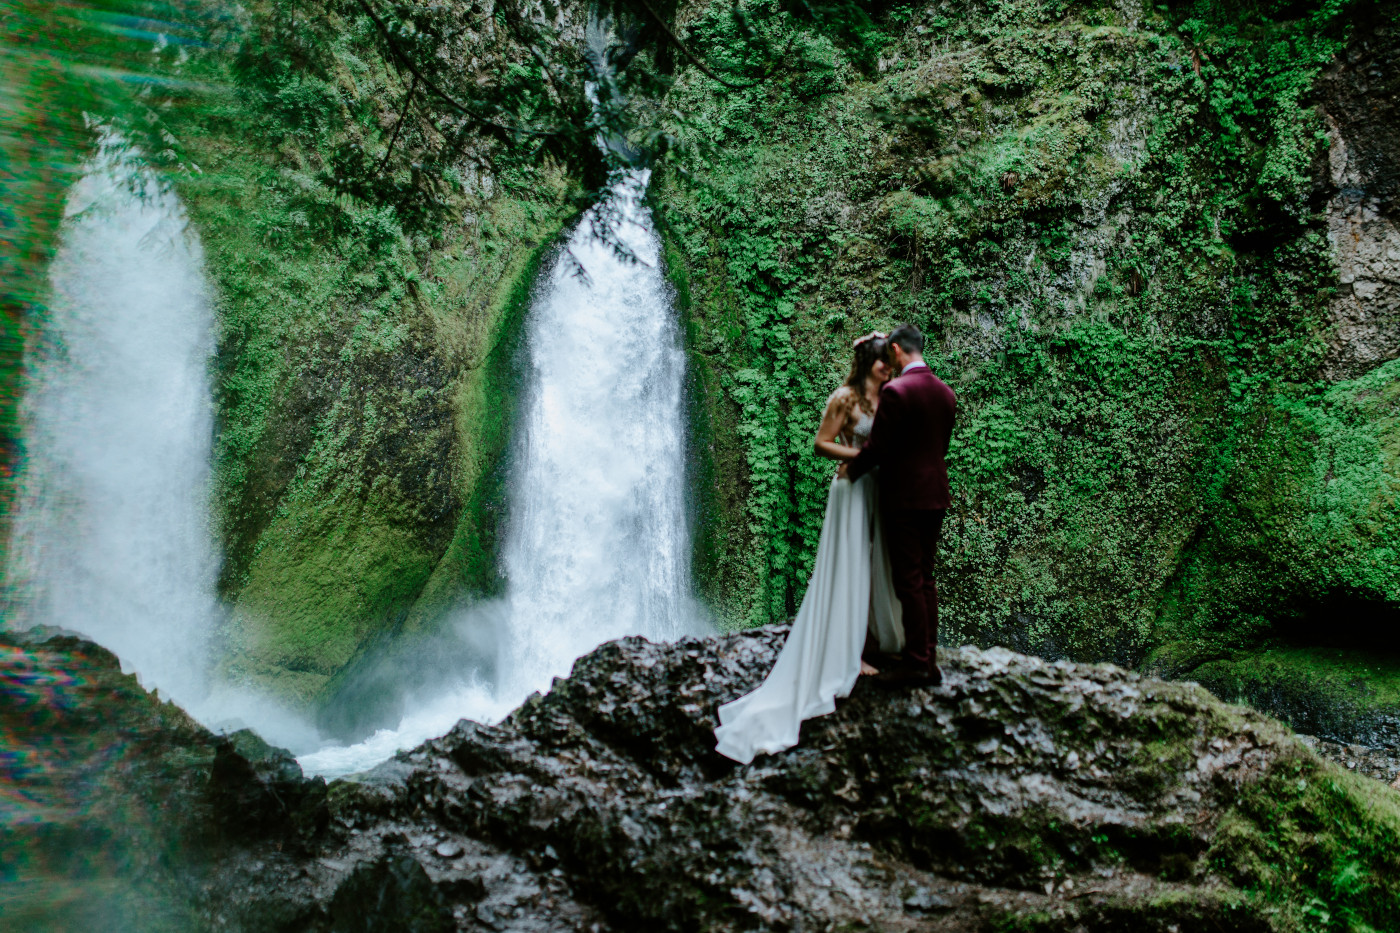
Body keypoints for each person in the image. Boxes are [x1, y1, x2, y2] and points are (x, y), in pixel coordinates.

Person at [714, 333, 904, 764]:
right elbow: (821, 443)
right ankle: (848, 653)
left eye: (890, 363)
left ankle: (875, 640)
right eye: (882, 362)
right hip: (851, 491)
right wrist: (861, 455)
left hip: (879, 490)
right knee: (850, 565)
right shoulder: (845, 398)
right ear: (868, 362)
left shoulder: (888, 397)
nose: (887, 368)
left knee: (878, 562)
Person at [841, 322, 957, 687]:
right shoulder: (945, 393)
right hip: (936, 495)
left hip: (905, 498)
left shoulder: (896, 392)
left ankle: (916, 663)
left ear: (895, 351)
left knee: (908, 581)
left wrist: (850, 472)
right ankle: (929, 658)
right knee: (926, 579)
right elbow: (940, 448)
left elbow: (879, 449)